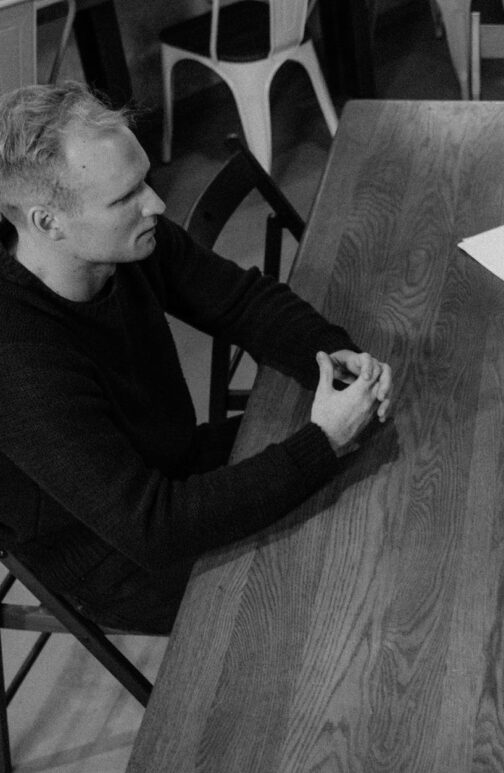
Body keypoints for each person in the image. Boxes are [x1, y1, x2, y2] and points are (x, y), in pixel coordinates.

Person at [0, 82, 394, 634]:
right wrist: (320, 442)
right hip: (118, 559)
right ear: (48, 222)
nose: (156, 204)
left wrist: (334, 357)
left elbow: (242, 301)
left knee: (385, 476)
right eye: (126, 197)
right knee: (345, 588)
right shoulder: (17, 358)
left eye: (146, 181)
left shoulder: (127, 242)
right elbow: (153, 528)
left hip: (177, 470)